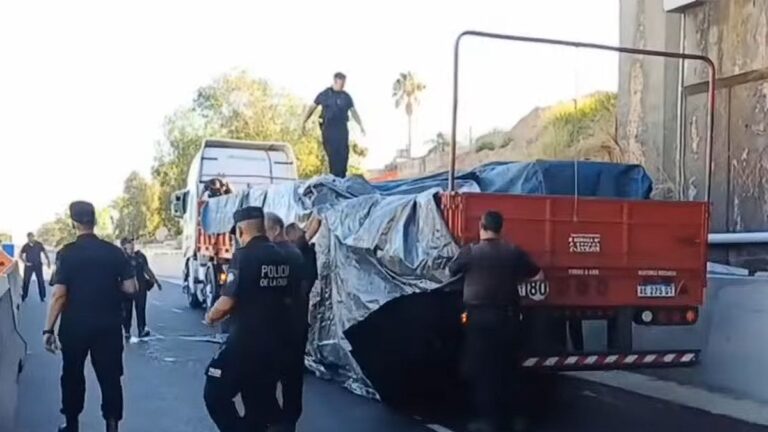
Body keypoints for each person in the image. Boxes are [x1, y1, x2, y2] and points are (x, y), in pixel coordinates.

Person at [43, 201, 138, 432]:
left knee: (72, 375)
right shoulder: (114, 252)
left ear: (73, 223)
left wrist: (48, 329)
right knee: (110, 377)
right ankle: (112, 425)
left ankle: (72, 424)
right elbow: (131, 287)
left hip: (75, 327)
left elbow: (59, 295)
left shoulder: (67, 253)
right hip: (109, 326)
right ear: (94, 221)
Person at [203, 206, 298, 432]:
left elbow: (226, 302)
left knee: (215, 392)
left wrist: (210, 316)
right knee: (258, 398)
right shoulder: (284, 255)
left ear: (240, 230)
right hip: (277, 342)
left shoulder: (244, 256)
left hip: (245, 342)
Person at [448, 210, 542, 432]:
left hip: (478, 320)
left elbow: (450, 272)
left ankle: (489, 421)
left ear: (481, 227)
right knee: (508, 368)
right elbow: (537, 275)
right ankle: (515, 418)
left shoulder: (470, 252)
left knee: (483, 370)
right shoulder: (513, 253)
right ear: (502, 229)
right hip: (507, 317)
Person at [265, 214, 314, 432]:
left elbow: (302, 288)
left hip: (285, 327)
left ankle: (283, 420)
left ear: (275, 230)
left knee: (282, 378)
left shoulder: (293, 255)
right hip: (293, 325)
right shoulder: (295, 255)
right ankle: (284, 420)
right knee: (288, 378)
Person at [302, 72, 366, 178]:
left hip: (341, 129)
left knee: (343, 154)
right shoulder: (325, 94)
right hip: (328, 129)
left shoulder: (346, 97)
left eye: (344, 83)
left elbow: (353, 112)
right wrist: (304, 122)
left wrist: (361, 125)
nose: (343, 86)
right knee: (333, 155)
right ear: (336, 81)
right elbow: (312, 107)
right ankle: (334, 177)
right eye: (342, 83)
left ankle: (342, 177)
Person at [120, 237, 162, 339]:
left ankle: (142, 329)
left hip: (141, 287)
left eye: (132, 243)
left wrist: (155, 280)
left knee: (141, 309)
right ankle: (127, 331)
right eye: (129, 243)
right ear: (124, 246)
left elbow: (146, 269)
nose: (132, 245)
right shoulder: (121, 258)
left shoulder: (140, 256)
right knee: (127, 310)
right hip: (127, 289)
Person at [20, 231, 51, 302]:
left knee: (40, 280)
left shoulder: (39, 244)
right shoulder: (25, 246)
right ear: (27, 238)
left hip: (38, 265)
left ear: (33, 237)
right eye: (29, 237)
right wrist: (25, 262)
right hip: (29, 266)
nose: (30, 238)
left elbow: (45, 253)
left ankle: (42, 297)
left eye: (31, 237)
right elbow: (20, 255)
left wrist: (48, 262)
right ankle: (24, 296)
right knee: (26, 281)